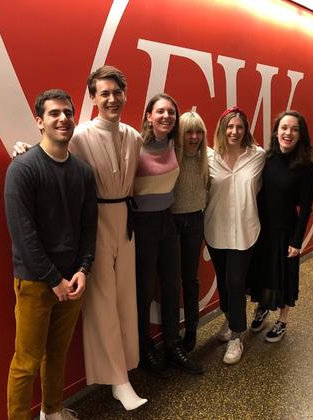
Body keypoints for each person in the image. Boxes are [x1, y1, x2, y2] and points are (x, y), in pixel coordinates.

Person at [13, 66, 147, 411]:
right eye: (104, 93)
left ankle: (122, 372)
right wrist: (22, 149)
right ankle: (116, 379)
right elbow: (51, 150)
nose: (112, 98)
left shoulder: (133, 135)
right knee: (101, 305)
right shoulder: (81, 134)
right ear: (93, 98)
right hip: (96, 222)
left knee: (125, 301)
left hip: (125, 221)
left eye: (117, 91)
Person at [4, 89, 98, 420]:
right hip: (34, 282)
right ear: (39, 121)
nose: (63, 119)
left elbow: (89, 229)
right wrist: (53, 279)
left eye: (68, 113)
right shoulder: (23, 169)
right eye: (54, 113)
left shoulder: (84, 173)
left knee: (56, 354)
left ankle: (53, 411)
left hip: (72, 280)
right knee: (26, 361)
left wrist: (83, 270)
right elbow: (23, 235)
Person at [134, 94, 203, 376]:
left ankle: (172, 345)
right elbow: (89, 149)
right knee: (145, 289)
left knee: (173, 285)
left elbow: (210, 148)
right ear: (149, 115)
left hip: (168, 221)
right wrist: (31, 147)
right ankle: (145, 347)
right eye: (160, 111)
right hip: (142, 224)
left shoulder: (175, 145)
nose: (166, 117)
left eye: (171, 113)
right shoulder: (134, 145)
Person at [204, 106, 265, 365]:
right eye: (230, 126)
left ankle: (236, 337)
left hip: (245, 230)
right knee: (224, 280)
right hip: (215, 229)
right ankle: (230, 318)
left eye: (239, 127)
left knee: (236, 281)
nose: (234, 131)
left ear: (246, 129)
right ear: (222, 129)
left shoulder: (258, 156)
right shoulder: (208, 158)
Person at [250, 110, 313, 342]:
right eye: (284, 128)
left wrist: (297, 241)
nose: (288, 133)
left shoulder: (307, 168)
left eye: (294, 129)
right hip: (262, 229)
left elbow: (306, 208)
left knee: (285, 276)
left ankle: (283, 320)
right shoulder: (266, 158)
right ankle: (262, 307)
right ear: (276, 131)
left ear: (301, 135)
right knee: (263, 272)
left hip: (286, 231)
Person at [172, 111, 209, 352]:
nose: (194, 137)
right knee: (171, 281)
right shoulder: (170, 157)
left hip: (195, 221)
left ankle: (192, 330)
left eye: (198, 132)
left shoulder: (208, 159)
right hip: (171, 222)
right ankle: (171, 335)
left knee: (191, 279)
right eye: (188, 132)